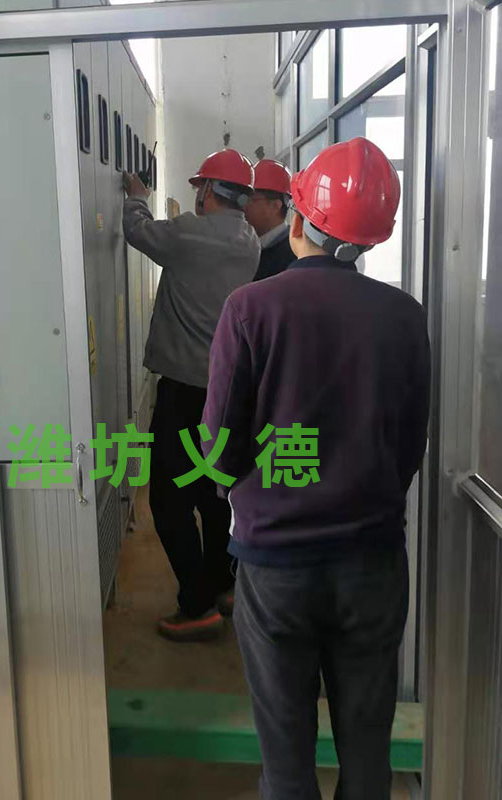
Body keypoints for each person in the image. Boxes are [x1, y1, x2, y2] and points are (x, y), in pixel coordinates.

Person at [202, 137, 430, 798]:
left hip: (276, 565)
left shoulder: (250, 309)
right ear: (372, 238)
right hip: (372, 564)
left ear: (298, 218)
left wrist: (249, 495)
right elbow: (408, 447)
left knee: (286, 763)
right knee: (367, 757)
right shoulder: (404, 317)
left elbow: (218, 449)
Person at [122, 149, 260, 642]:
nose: (197, 194)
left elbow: (137, 231)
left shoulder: (188, 235)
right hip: (225, 395)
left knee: (166, 500)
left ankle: (196, 605)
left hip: (183, 393)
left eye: (200, 186)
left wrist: (136, 197)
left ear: (209, 192)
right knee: (213, 492)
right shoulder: (249, 243)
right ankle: (222, 584)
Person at [244, 158, 294, 281]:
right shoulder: (246, 246)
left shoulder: (292, 254)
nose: (243, 206)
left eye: (250, 200)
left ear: (275, 206)